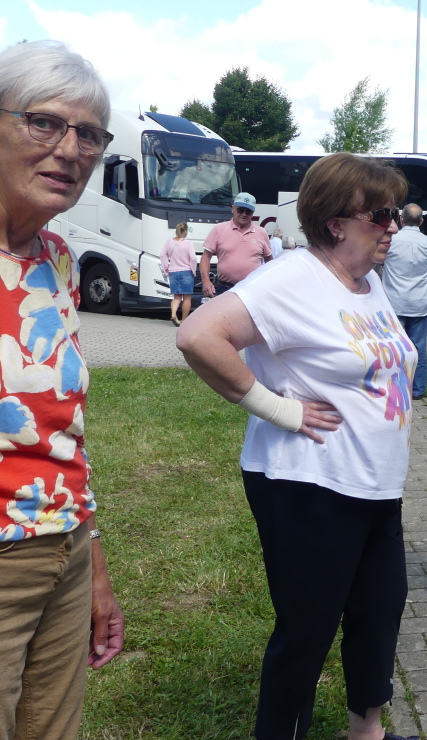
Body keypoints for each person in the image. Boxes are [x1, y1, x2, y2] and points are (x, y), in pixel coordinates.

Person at [177, 153, 418, 740]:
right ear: (336, 222)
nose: (393, 226)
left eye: (394, 213)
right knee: (308, 627)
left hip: (374, 483)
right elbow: (198, 335)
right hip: (308, 483)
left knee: (380, 608)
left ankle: (367, 732)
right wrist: (277, 407)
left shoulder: (368, 281)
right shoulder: (291, 277)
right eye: (380, 215)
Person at [0, 38, 124, 739]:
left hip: (64, 551)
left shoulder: (56, 260)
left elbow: (65, 430)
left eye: (89, 135)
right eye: (44, 122)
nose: (70, 150)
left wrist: (93, 564)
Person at [381, 203, 427, 400]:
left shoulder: (393, 240)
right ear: (421, 221)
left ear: (401, 219)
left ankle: (393, 386)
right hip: (419, 301)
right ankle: (418, 389)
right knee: (419, 347)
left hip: (394, 301)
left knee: (394, 347)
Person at [199, 192, 272, 298]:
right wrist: (206, 281)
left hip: (253, 287)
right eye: (240, 210)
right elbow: (205, 257)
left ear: (253, 213)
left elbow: (270, 261)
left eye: (248, 211)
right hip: (225, 287)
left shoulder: (261, 233)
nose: (244, 214)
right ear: (233, 209)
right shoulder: (219, 229)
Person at [160, 221, 197, 325]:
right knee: (187, 298)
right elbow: (193, 258)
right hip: (186, 272)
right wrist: (193, 269)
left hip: (173, 272)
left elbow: (162, 255)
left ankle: (173, 314)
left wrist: (166, 268)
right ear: (185, 231)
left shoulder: (169, 242)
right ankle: (183, 320)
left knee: (177, 297)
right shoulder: (188, 243)